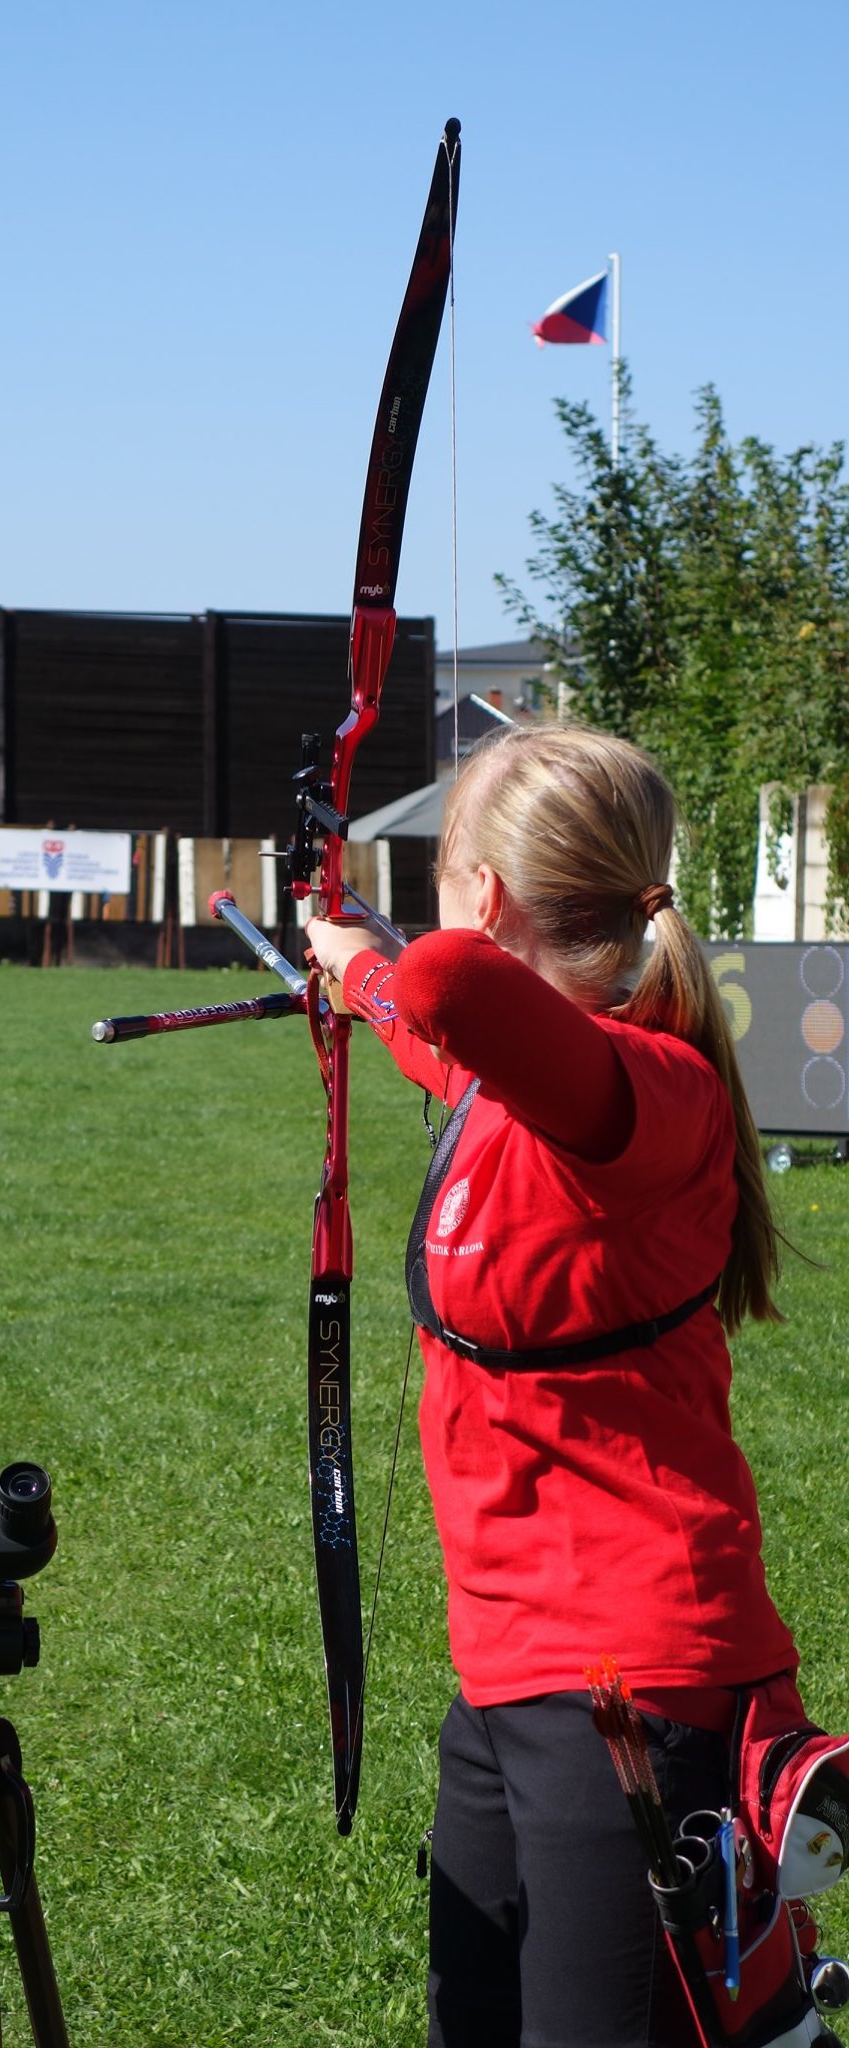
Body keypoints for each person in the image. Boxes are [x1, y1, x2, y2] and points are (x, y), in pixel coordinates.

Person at [304, 723, 799, 2048]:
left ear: (484, 892)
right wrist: (350, 960)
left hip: (637, 1681)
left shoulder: (646, 1090)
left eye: (447, 871)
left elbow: (451, 986)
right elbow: (438, 1029)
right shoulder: (527, 1086)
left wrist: (397, 960)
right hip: (512, 1671)